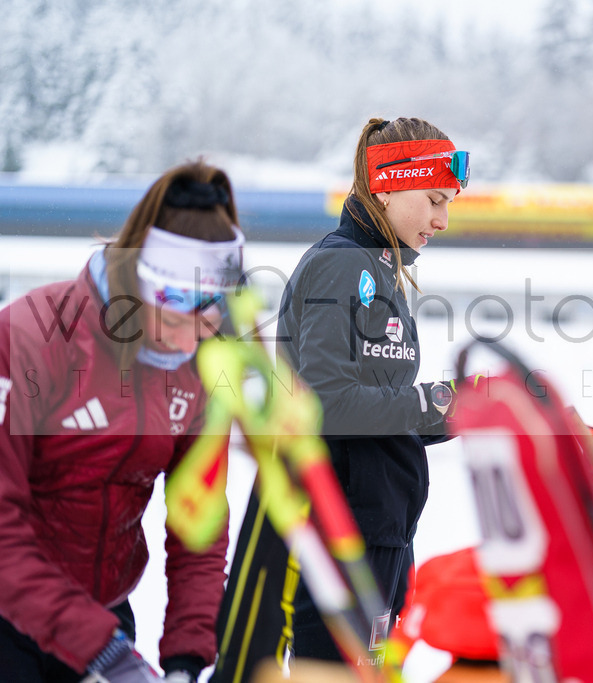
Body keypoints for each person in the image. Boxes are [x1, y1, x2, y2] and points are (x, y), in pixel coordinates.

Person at [0, 161, 243, 683]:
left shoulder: (200, 365)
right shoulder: (30, 338)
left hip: (104, 618)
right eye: (174, 320)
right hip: (11, 616)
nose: (187, 342)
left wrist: (186, 657)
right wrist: (104, 653)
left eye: (206, 322)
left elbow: (198, 527)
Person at [275, 117, 470, 662]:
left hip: (382, 528)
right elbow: (329, 405)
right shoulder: (342, 265)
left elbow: (381, 415)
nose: (442, 219)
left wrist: (466, 407)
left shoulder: (380, 268)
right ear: (387, 187)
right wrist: (437, 401)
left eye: (449, 203)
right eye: (434, 200)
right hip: (339, 534)